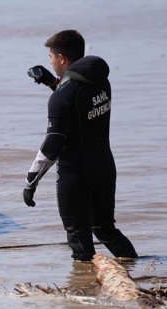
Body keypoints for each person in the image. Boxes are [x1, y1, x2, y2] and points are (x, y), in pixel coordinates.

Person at [23, 29, 138, 261]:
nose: (52, 62)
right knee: (105, 230)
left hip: (76, 175)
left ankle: (84, 293)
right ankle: (135, 268)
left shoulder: (62, 98)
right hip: (104, 167)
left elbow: (52, 144)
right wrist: (52, 82)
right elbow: (79, 105)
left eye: (52, 58)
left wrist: (30, 182)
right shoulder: (101, 81)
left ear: (62, 58)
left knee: (78, 238)